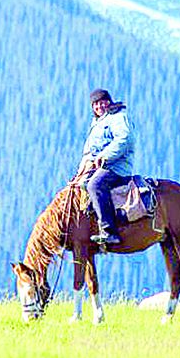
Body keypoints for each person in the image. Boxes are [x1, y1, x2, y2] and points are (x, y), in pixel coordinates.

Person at [75, 88, 135, 246]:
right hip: (99, 166)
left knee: (95, 185)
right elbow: (88, 152)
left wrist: (105, 156)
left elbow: (124, 139)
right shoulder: (96, 123)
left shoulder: (118, 117)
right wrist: (80, 173)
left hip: (117, 166)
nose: (99, 106)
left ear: (109, 102)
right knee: (81, 185)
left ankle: (109, 232)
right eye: (95, 104)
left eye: (102, 102)